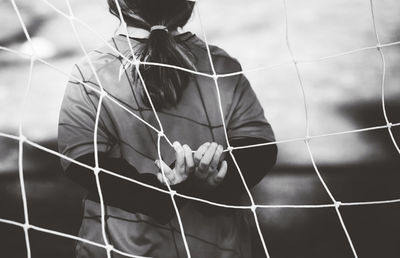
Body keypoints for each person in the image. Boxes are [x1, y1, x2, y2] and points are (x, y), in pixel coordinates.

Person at [58, 0, 277, 257]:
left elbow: (82, 162)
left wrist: (168, 189)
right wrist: (207, 182)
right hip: (216, 249)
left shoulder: (91, 72)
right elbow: (259, 149)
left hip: (120, 249)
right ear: (188, 5)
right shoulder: (221, 67)